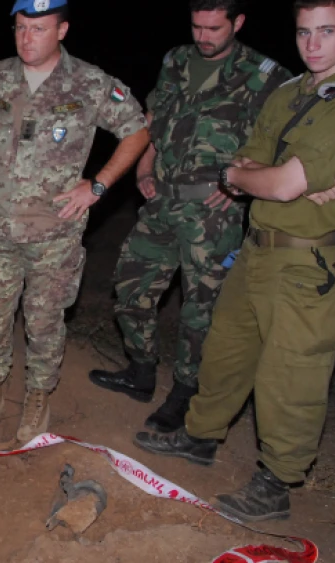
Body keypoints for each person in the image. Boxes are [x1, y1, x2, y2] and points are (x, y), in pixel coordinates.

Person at [134, 0, 335, 523]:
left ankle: (276, 483)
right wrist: (259, 178)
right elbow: (242, 164)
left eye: (327, 31)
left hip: (308, 264)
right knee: (226, 352)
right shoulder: (291, 92)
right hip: (257, 249)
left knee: (290, 377)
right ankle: (201, 437)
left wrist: (267, 180)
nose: (313, 44)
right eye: (304, 32)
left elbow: (277, 183)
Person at [88, 0, 292, 434]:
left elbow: (283, 139)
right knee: (130, 285)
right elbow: (155, 120)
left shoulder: (264, 74)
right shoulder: (177, 60)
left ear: (238, 22)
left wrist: (244, 187)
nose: (204, 36)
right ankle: (141, 371)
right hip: (162, 201)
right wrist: (144, 168)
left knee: (201, 310)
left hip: (213, 214)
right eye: (197, 26)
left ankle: (184, 393)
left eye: (214, 28)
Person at [0, 0, 149, 442]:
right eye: (21, 27)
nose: (28, 38)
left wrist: (99, 185)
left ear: (62, 30)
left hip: (55, 234)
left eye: (40, 29)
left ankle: (37, 395)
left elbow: (138, 130)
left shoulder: (89, 82)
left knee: (44, 321)